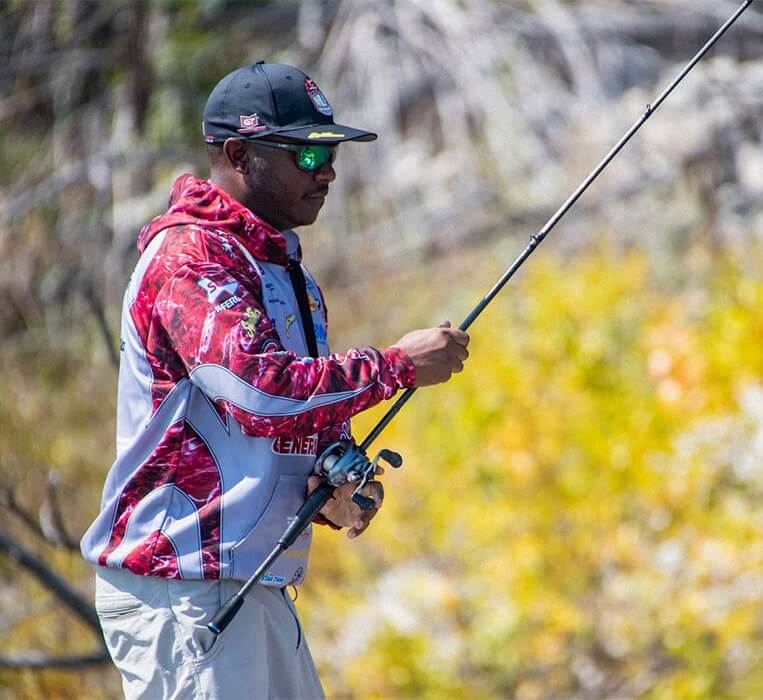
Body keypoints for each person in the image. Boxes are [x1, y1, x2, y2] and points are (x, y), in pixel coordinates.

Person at [80, 61, 470, 699]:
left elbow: (301, 423)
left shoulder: (290, 277)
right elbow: (260, 391)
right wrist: (397, 365)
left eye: (330, 154)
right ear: (238, 153)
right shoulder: (187, 257)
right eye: (307, 156)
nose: (329, 172)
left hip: (254, 585)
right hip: (184, 591)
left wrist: (338, 488)